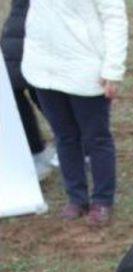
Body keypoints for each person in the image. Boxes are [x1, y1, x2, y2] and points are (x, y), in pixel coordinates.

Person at [21, 0, 128, 226]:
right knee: (64, 136)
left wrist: (113, 70)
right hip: (43, 68)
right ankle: (76, 198)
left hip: (85, 69)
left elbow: (115, 19)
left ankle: (102, 200)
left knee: (96, 138)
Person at [0, 0, 54, 181]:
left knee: (45, 95)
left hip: (47, 32)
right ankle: (35, 151)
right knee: (12, 94)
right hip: (17, 32)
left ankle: (79, 149)